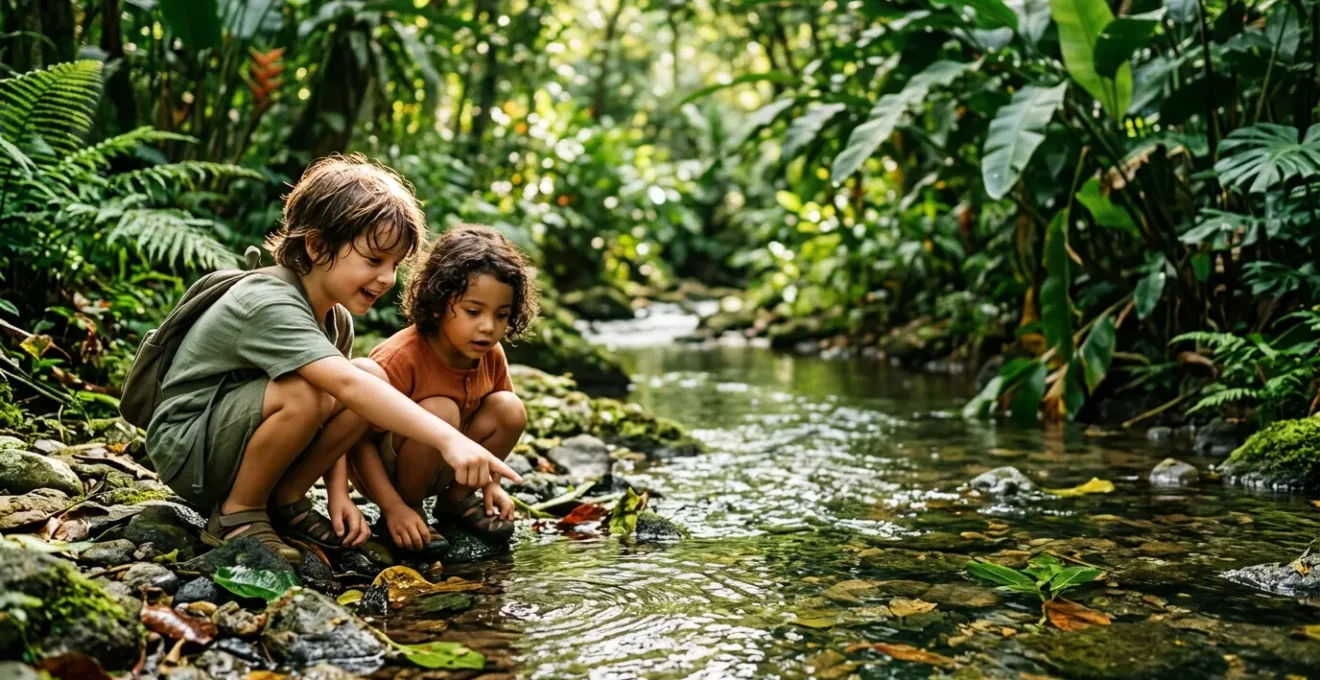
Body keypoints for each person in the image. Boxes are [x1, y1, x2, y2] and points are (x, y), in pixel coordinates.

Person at [144, 156, 521, 563]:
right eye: (374, 260)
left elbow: (349, 403)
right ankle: (238, 515)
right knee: (318, 390)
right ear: (317, 246)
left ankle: (286, 501)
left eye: (395, 265)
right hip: (190, 449)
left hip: (233, 445)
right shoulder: (268, 302)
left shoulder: (334, 316)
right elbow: (344, 388)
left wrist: (338, 493)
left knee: (366, 378)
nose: (387, 278)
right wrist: (448, 438)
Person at [349, 224, 538, 554]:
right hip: (386, 472)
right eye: (473, 311)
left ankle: (457, 500)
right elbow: (357, 445)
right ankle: (410, 511)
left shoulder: (490, 353)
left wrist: (492, 484)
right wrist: (393, 507)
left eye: (502, 315)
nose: (488, 327)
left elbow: (500, 420)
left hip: (448, 463)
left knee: (510, 406)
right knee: (441, 410)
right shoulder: (401, 358)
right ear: (437, 304)